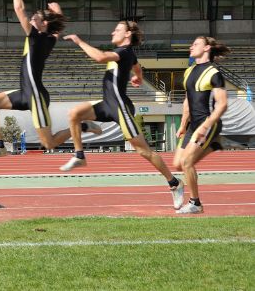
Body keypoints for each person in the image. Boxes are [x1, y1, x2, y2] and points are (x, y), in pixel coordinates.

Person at [59, 21, 184, 208]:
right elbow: (137, 66)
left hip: (120, 107)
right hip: (107, 104)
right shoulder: (127, 55)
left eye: (117, 30)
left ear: (127, 35)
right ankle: (79, 155)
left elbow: (100, 57)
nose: (112, 32)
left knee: (143, 151)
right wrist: (138, 77)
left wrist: (79, 41)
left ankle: (174, 183)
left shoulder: (124, 52)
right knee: (74, 114)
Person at [0, 0, 85, 159]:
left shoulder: (36, 37)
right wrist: (57, 12)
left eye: (34, 17)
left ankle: (81, 126)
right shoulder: (49, 38)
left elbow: (18, 8)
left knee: (49, 143)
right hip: (25, 92)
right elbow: (57, 29)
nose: (30, 19)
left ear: (43, 24)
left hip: (36, 96)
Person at [173, 36, 230, 214]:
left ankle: (195, 203)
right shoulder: (189, 71)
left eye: (195, 44)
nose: (191, 47)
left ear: (206, 48)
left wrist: (206, 126)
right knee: (177, 164)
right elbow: (187, 102)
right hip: (193, 125)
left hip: (207, 123)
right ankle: (214, 145)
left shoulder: (214, 73)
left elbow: (222, 104)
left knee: (187, 162)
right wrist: (183, 125)